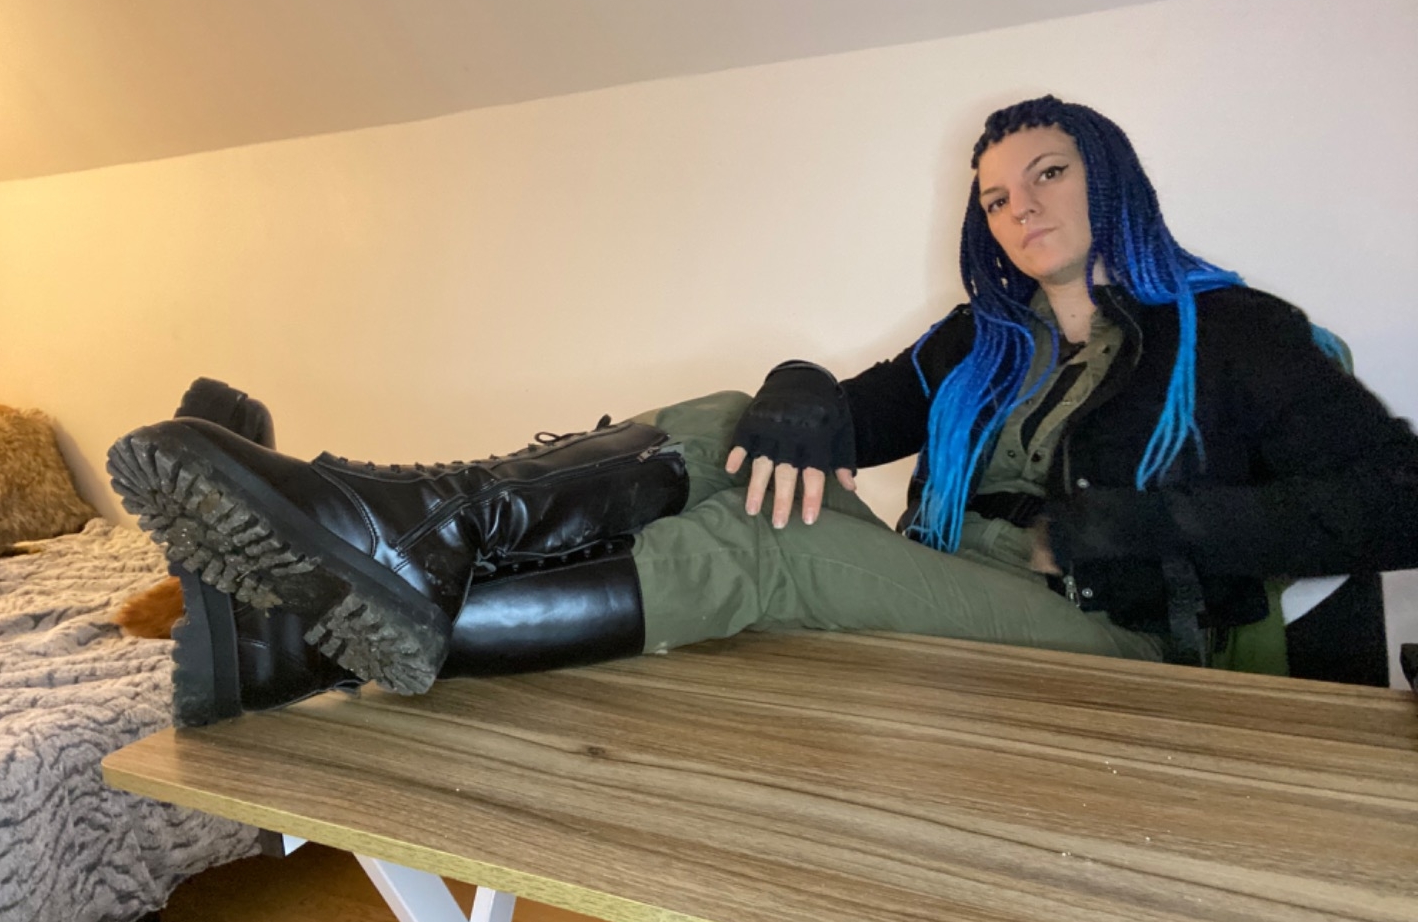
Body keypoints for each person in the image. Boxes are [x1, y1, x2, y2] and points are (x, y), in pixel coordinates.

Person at [107, 96, 1418, 726]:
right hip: (958, 583)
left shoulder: (1234, 334)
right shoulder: (983, 340)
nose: (1019, 207)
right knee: (730, 417)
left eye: (1048, 174)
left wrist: (1151, 526)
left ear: (1111, 177)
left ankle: (327, 616)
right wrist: (794, 389)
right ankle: (400, 544)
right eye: (996, 195)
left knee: (768, 546)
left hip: (1112, 635)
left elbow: (1398, 498)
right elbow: (833, 421)